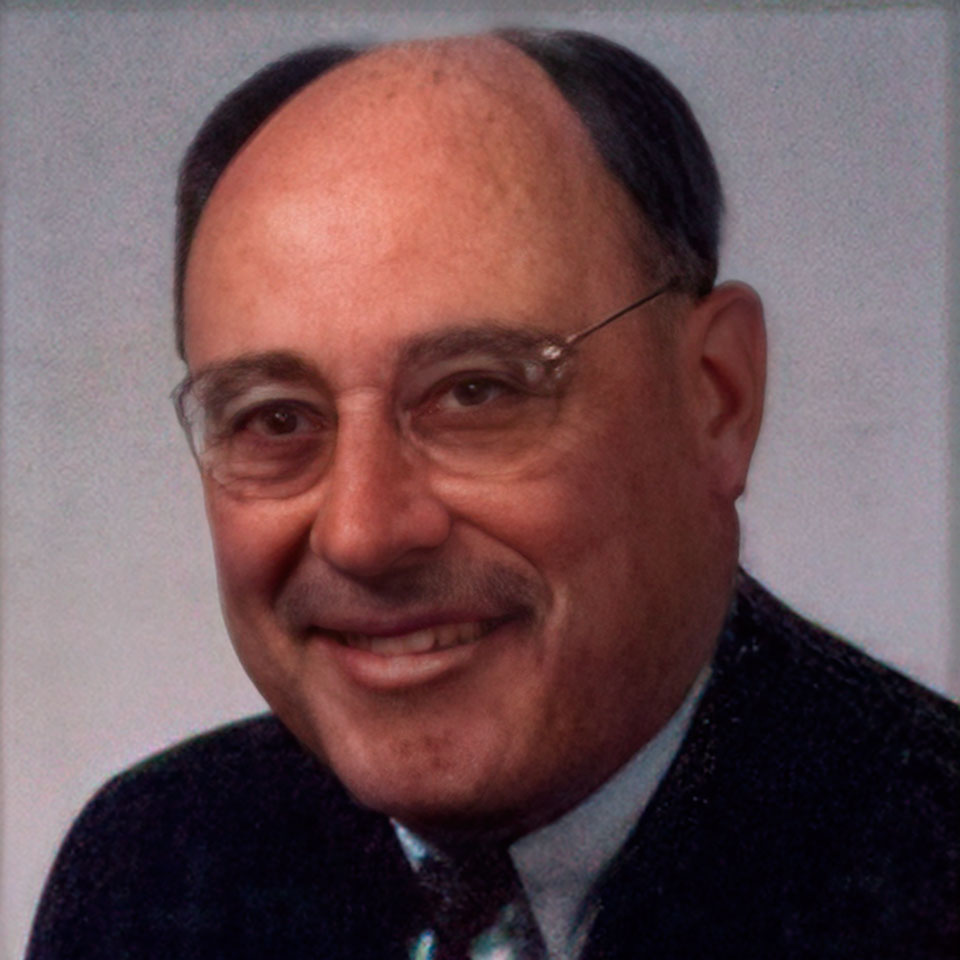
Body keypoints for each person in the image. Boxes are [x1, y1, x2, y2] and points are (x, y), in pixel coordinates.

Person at [27, 28, 958, 960]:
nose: (361, 531)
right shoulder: (145, 872)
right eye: (275, 419)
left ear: (716, 398)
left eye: (477, 391)